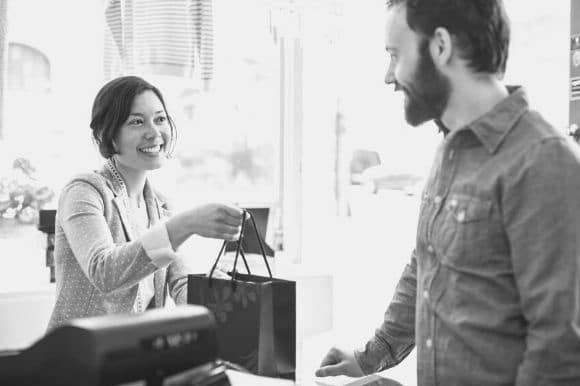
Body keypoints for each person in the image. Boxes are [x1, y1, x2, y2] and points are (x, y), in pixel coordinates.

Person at [316, 0, 580, 385]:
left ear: (440, 46)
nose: (390, 76)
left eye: (395, 55)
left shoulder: (542, 162)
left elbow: (558, 352)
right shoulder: (450, 148)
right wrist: (368, 359)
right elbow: (426, 264)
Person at [47, 76, 244, 330]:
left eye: (160, 119)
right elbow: (104, 271)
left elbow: (180, 284)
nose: (154, 132)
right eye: (137, 122)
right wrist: (186, 224)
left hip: (134, 356)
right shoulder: (84, 191)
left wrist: (217, 290)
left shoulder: (159, 205)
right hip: (79, 359)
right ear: (108, 134)